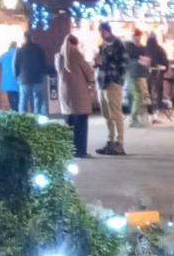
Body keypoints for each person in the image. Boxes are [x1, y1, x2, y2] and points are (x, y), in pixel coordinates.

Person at [56, 33, 95, 158]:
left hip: (65, 93)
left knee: (69, 123)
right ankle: (80, 151)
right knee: (81, 124)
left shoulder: (58, 57)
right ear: (75, 44)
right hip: (79, 94)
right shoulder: (77, 56)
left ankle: (69, 149)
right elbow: (89, 72)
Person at [93, 22, 127, 156]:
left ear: (108, 31)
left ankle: (119, 143)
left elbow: (122, 64)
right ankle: (110, 141)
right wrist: (96, 63)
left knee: (115, 113)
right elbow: (101, 62)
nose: (101, 34)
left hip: (113, 81)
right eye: (99, 31)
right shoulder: (102, 45)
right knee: (106, 114)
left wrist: (104, 62)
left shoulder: (118, 44)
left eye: (102, 31)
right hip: (102, 81)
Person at [14, 36, 51, 116]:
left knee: (24, 100)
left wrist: (17, 76)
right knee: (38, 99)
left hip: (24, 79)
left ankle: (22, 118)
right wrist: (43, 73)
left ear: (24, 39)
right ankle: (38, 117)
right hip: (37, 78)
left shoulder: (20, 50)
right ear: (32, 38)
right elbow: (43, 63)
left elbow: (15, 65)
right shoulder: (39, 49)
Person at [123, 33, 151, 129]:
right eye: (136, 37)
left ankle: (138, 117)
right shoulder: (128, 47)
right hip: (133, 74)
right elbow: (128, 59)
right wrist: (140, 60)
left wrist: (144, 62)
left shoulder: (141, 48)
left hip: (140, 74)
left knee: (142, 95)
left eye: (139, 37)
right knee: (137, 96)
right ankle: (134, 118)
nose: (138, 39)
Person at [142, 32, 170, 122]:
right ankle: (158, 108)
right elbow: (166, 62)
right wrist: (163, 70)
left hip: (147, 73)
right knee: (159, 91)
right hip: (158, 73)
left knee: (147, 92)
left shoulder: (144, 49)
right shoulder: (160, 49)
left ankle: (148, 109)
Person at [0, 40, 20, 111]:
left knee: (10, 97)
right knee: (17, 97)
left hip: (7, 82)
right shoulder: (18, 54)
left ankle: (13, 110)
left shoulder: (5, 55)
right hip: (17, 80)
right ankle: (18, 110)